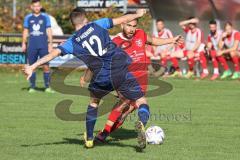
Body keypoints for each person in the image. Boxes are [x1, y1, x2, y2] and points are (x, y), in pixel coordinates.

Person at [23, 7, 182, 149]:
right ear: (85, 19)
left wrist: (33, 66)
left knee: (93, 103)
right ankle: (141, 121)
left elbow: (52, 54)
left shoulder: (71, 42)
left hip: (100, 75)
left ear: (73, 24)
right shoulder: (97, 24)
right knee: (141, 101)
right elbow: (122, 19)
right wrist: (138, 13)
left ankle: (90, 139)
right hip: (119, 68)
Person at [22, 0, 54, 93]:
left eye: (38, 6)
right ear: (31, 7)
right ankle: (32, 86)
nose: (36, 8)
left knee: (46, 66)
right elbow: (25, 31)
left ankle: (47, 87)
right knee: (31, 67)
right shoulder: (28, 17)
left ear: (40, 7)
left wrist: (50, 43)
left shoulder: (45, 17)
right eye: (34, 6)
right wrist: (23, 43)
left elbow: (48, 29)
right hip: (32, 46)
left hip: (43, 45)